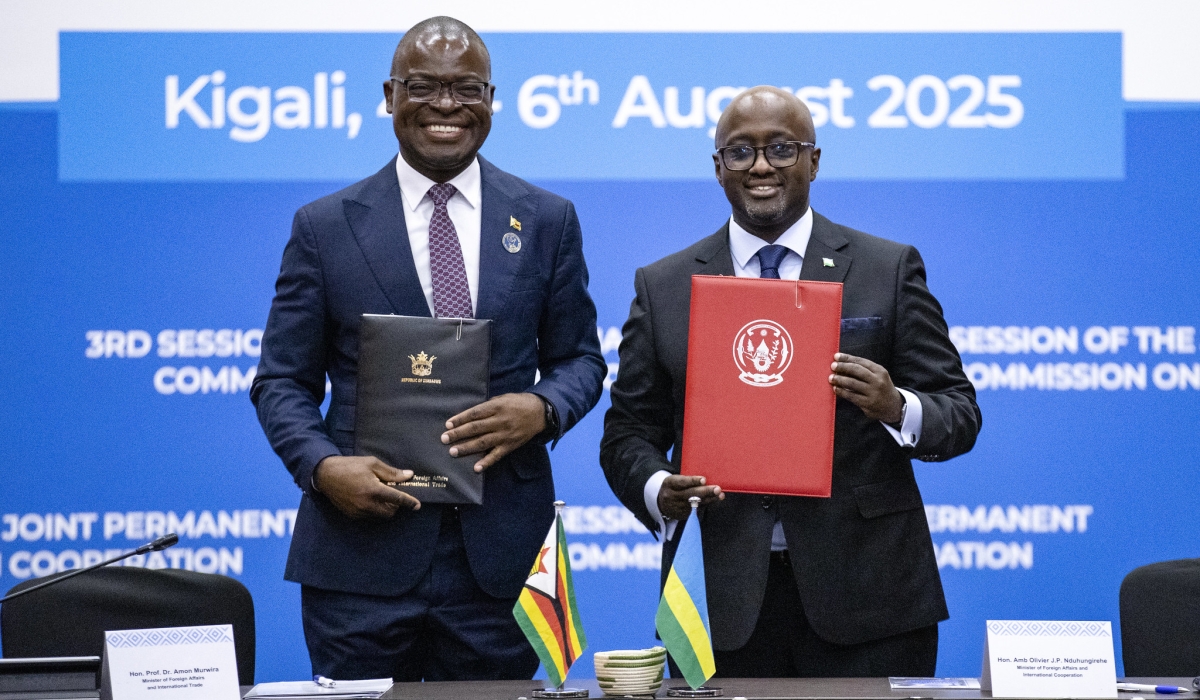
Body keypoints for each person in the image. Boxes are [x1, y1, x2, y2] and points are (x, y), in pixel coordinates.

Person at [250, 16, 606, 682]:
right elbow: (280, 383)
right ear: (390, 95)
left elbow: (581, 360)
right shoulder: (324, 228)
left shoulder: (546, 219)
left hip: (500, 561)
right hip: (358, 556)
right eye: (424, 86)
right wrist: (325, 468)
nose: (446, 105)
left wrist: (543, 408)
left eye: (467, 87)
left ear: (491, 100)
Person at [600, 86, 981, 678]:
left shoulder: (887, 267)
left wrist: (893, 404)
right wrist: (658, 488)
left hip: (870, 600)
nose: (760, 166)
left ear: (814, 160)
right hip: (718, 599)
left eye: (781, 148)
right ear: (717, 167)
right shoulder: (665, 285)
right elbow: (626, 433)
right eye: (740, 152)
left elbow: (958, 414)